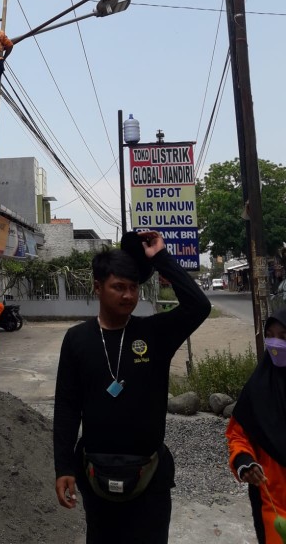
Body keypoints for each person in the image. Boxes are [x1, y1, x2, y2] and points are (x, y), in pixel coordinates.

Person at [53, 230, 211, 544]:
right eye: (119, 287)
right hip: (95, 476)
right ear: (98, 287)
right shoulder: (77, 340)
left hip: (150, 479)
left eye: (133, 287)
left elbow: (199, 306)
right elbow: (67, 408)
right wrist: (63, 467)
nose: (128, 296)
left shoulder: (155, 334)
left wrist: (160, 257)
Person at [226, 309, 286, 544]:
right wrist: (244, 461)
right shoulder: (257, 388)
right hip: (272, 501)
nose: (275, 343)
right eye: (270, 335)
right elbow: (237, 435)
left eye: (283, 336)